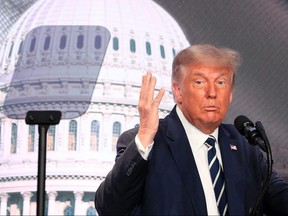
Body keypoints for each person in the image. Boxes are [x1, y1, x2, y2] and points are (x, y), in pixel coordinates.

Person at [95, 44, 288, 215]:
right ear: (178, 91)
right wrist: (145, 136)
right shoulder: (146, 144)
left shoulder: (245, 146)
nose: (212, 93)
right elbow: (110, 208)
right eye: (200, 82)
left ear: (230, 93)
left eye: (221, 82)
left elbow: (280, 199)